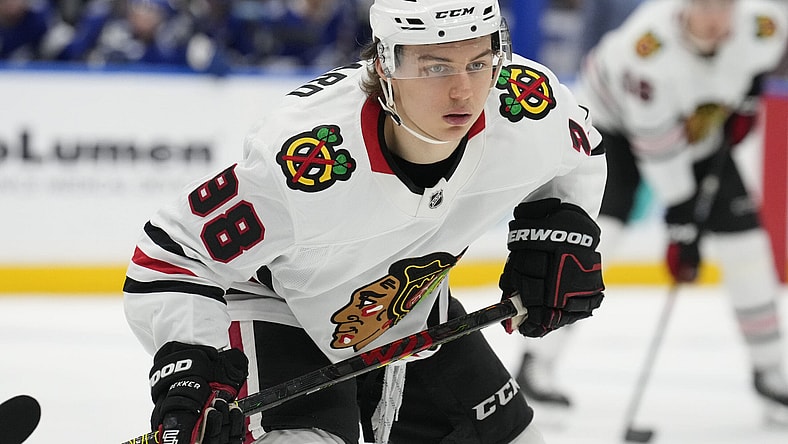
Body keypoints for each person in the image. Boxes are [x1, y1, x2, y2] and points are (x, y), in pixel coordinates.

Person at [122, 0, 608, 443]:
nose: (463, 90)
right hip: (279, 306)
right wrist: (187, 371)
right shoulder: (306, 158)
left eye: (478, 63)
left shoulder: (525, 103)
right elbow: (172, 254)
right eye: (435, 66)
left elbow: (582, 150)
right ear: (385, 64)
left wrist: (560, 227)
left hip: (406, 304)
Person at [519, 0, 788, 422]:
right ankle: (537, 362)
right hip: (615, 127)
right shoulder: (648, 53)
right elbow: (660, 152)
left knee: (747, 246)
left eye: (725, 6)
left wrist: (746, 95)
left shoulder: (763, 24)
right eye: (705, 7)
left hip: (696, 127)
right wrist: (683, 225)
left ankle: (770, 371)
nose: (716, 18)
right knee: (594, 241)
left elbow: (765, 57)